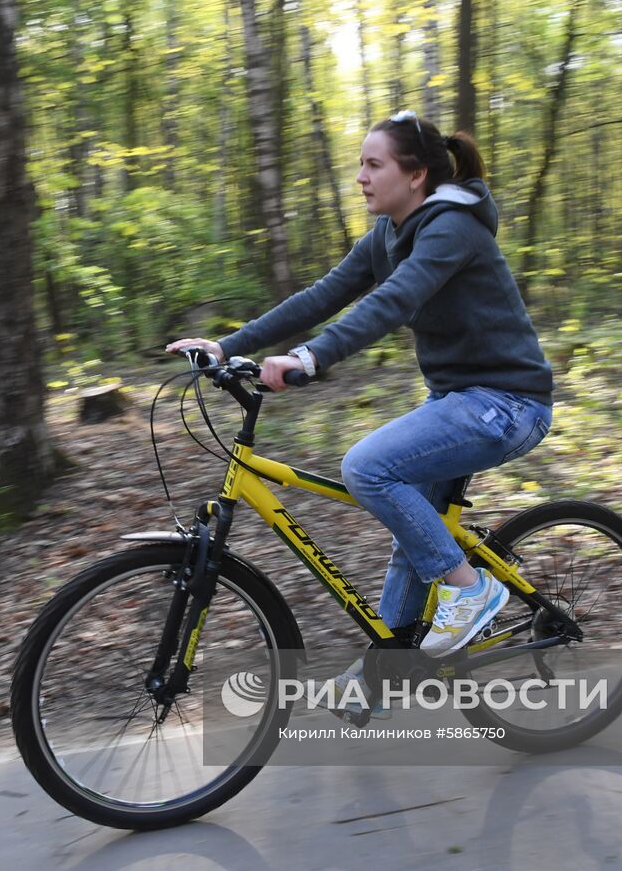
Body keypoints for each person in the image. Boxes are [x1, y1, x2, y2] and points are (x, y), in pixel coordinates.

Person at [167, 111, 552, 701]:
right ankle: (389, 670)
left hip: (506, 403)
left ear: (417, 174)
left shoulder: (452, 228)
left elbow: (396, 299)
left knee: (369, 467)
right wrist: (228, 345)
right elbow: (320, 296)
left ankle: (470, 591)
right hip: (458, 401)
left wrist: (312, 359)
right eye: (361, 166)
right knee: (414, 533)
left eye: (374, 165)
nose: (360, 178)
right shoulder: (389, 233)